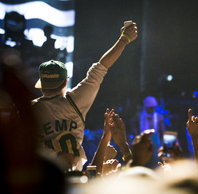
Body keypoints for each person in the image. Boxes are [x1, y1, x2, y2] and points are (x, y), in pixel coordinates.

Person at [31, 21, 138, 171]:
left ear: (42, 84)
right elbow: (101, 66)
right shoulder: (75, 100)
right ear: (65, 83)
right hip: (74, 179)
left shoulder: (29, 110)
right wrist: (124, 39)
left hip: (41, 180)